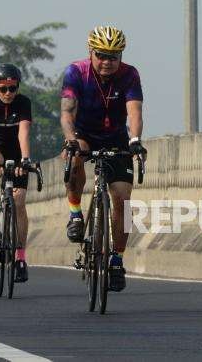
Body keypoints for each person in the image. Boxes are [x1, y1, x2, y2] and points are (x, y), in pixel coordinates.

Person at [60, 25, 146, 292]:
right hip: (83, 134)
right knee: (74, 158)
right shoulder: (76, 72)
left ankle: (117, 260)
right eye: (101, 55)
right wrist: (70, 138)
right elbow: (67, 111)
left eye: (113, 56)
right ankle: (75, 213)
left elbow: (134, 112)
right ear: (90, 52)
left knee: (123, 199)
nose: (107, 62)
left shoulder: (129, 75)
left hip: (116, 138)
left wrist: (135, 140)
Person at [0, 63, 34, 283]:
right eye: (3, 89)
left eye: (13, 88)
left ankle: (20, 258)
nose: (9, 93)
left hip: (17, 149)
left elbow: (24, 133)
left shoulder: (23, 103)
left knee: (19, 202)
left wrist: (26, 159)